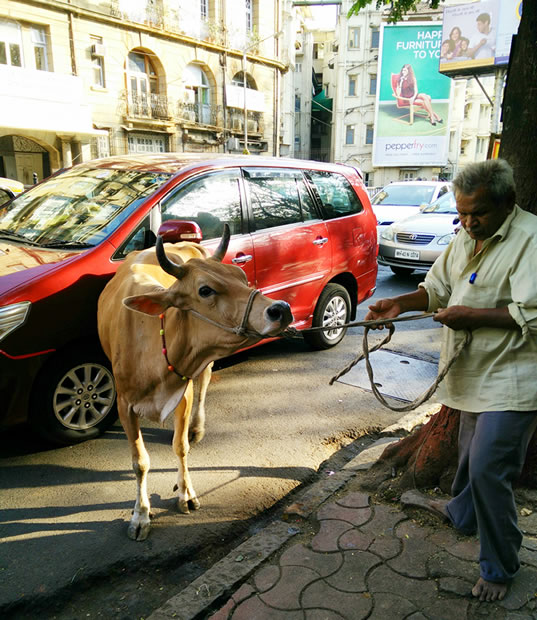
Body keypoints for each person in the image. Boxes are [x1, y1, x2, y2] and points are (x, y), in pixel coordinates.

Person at [365, 159, 537, 603]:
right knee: (467, 454)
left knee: (487, 468)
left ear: (507, 202)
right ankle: (463, 513)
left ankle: (500, 567)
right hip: (472, 372)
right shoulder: (465, 236)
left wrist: (470, 316)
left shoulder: (530, 239)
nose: (467, 222)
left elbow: (533, 317)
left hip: (515, 378)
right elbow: (437, 288)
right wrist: (399, 304)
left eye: (476, 213)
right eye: (461, 213)